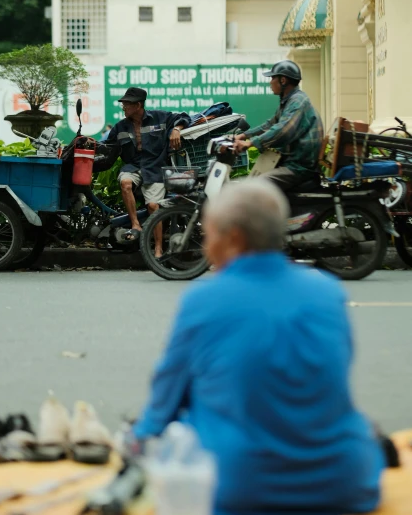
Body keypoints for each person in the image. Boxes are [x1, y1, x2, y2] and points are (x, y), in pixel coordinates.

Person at [133, 181, 384, 515]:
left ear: (233, 238)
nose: (207, 247)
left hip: (240, 489)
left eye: (209, 235)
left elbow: (163, 406)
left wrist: (136, 444)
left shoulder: (203, 300)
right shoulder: (327, 292)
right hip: (346, 484)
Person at [97, 87, 190, 255]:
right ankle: (135, 225)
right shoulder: (120, 127)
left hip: (155, 168)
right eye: (123, 104)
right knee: (125, 182)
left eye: (126, 104)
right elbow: (106, 146)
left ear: (138, 105)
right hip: (133, 167)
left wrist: (176, 129)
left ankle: (158, 248)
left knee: (154, 207)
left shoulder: (160, 117)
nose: (123, 108)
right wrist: (91, 145)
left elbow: (184, 116)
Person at [233, 59, 323, 192]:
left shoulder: (297, 101)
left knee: (258, 185)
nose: (270, 82)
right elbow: (270, 124)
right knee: (251, 178)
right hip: (291, 161)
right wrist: (243, 135)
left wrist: (250, 143)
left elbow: (283, 131)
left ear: (283, 80)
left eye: (272, 78)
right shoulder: (288, 101)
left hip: (299, 167)